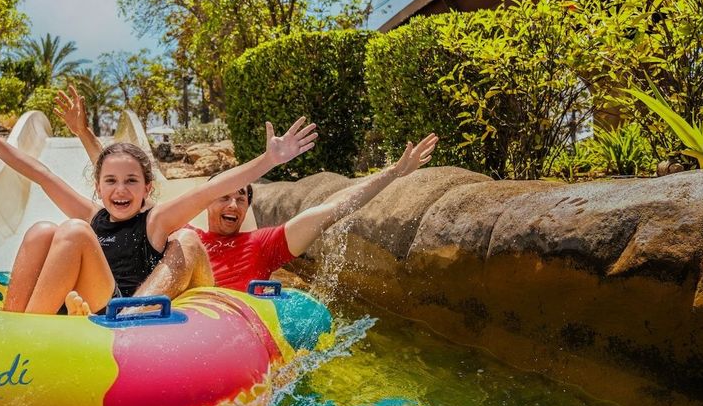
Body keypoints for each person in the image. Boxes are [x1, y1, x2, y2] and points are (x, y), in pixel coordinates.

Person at [57, 84, 441, 294]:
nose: (233, 203)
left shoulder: (261, 245)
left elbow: (330, 210)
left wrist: (393, 173)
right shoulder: (181, 237)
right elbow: (124, 192)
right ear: (206, 203)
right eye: (224, 195)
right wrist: (84, 133)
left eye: (241, 198)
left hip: (228, 327)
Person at [0, 99, 318, 315]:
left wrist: (268, 160)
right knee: (42, 230)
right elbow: (42, 175)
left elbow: (210, 190)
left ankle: (31, 332)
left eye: (131, 181)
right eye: (111, 181)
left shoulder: (155, 221)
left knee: (73, 231)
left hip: (117, 307)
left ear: (147, 188)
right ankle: (12, 319)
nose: (121, 190)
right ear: (98, 187)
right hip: (84, 297)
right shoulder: (94, 216)